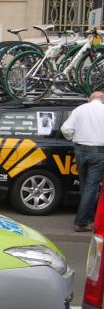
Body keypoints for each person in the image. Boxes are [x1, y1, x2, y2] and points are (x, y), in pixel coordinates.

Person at [61, 91, 104, 232]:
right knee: (91, 187)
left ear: (89, 99)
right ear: (102, 99)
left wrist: (72, 138)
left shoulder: (79, 109)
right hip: (98, 152)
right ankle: (81, 222)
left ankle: (89, 218)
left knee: (85, 186)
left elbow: (65, 129)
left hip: (80, 150)